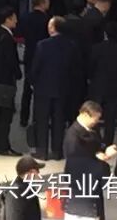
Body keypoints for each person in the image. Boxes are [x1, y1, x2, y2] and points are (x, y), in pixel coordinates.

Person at [30, 16, 80, 160]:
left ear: (52, 28)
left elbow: (36, 67)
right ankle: (57, 151)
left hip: (43, 88)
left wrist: (33, 82)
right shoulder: (71, 45)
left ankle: (42, 151)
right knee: (59, 121)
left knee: (42, 120)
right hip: (63, 89)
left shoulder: (42, 45)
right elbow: (75, 69)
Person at [63, 128, 110, 220]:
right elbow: (105, 185)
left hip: (72, 207)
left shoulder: (71, 161)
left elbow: (66, 179)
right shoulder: (101, 165)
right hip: (90, 209)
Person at [0, 7, 22, 156]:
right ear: (7, 19)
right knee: (5, 114)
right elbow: (10, 60)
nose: (16, 20)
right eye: (14, 17)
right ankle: (4, 146)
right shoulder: (7, 38)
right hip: (6, 80)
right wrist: (18, 73)